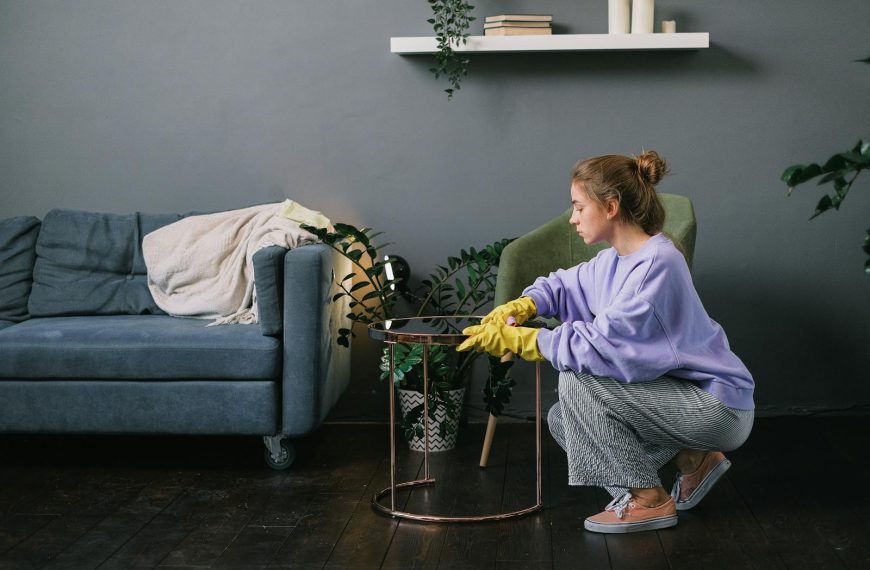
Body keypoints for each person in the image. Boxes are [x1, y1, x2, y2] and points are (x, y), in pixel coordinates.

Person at [458, 151, 754, 534]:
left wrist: (527, 339)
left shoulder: (658, 265)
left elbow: (599, 347)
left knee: (576, 380)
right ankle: (691, 459)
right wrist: (526, 303)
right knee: (563, 420)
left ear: (611, 206)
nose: (572, 218)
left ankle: (648, 499)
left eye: (579, 207)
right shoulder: (615, 260)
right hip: (680, 400)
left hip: (716, 406)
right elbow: (565, 284)